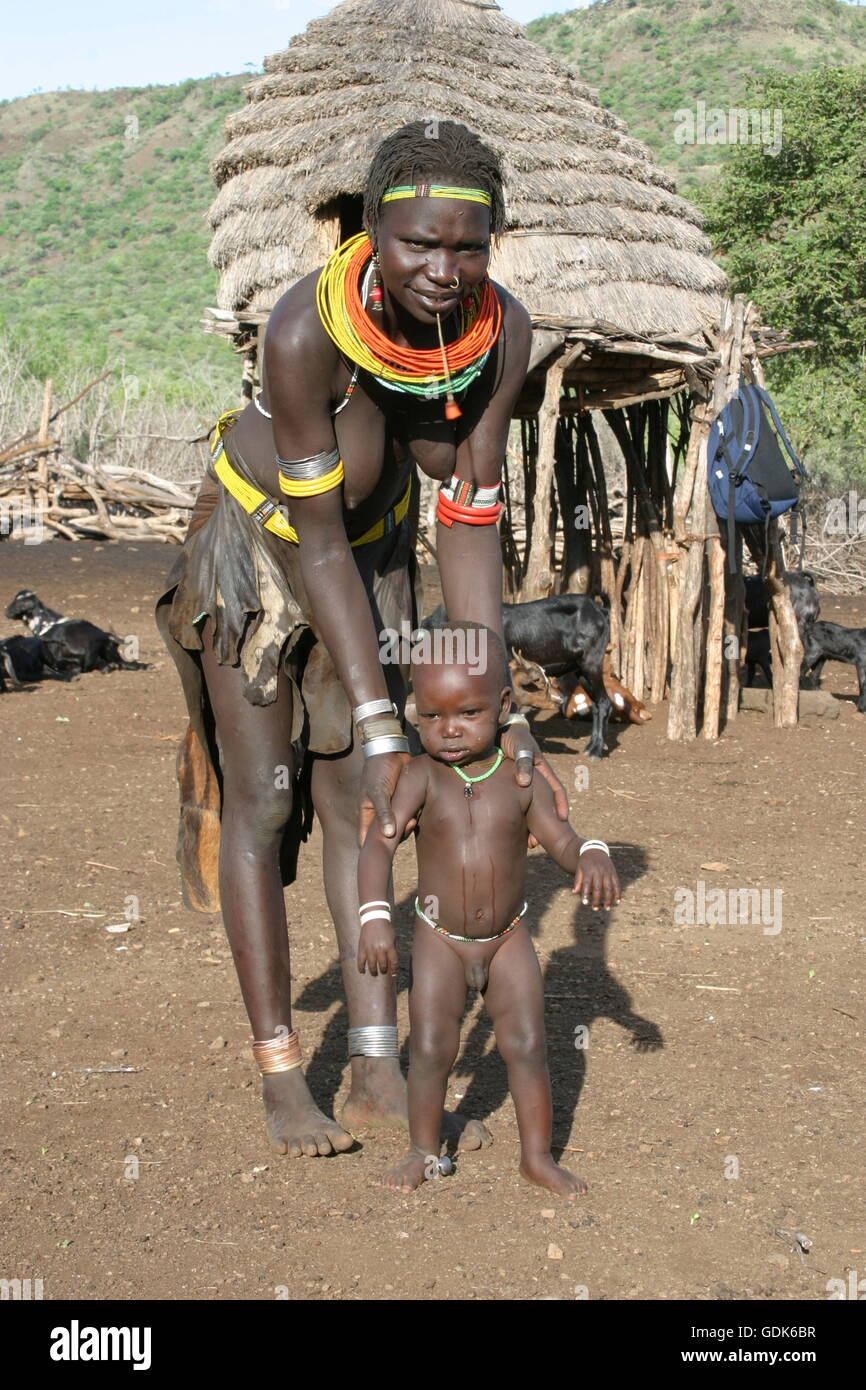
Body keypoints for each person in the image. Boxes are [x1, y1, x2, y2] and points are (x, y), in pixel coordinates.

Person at [155, 120, 568, 1161]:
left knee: (357, 802)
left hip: (372, 546)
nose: (443, 269)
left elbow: (469, 518)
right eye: (418, 244)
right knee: (267, 796)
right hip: (261, 547)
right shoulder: (304, 332)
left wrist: (494, 709)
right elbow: (317, 540)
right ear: (370, 232)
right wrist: (383, 712)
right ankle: (282, 1074)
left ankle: (376, 1062)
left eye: (467, 247)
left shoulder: (500, 332)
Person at [357, 622, 620, 1196]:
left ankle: (537, 1157)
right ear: (414, 715)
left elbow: (561, 841)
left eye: (468, 714)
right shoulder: (421, 777)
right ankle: (423, 1151)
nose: (448, 731)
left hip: (507, 939)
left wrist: (592, 854)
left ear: (504, 706)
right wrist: (375, 915)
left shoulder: (520, 779)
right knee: (431, 1048)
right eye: (430, 717)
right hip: (438, 940)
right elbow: (379, 841)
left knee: (525, 1044)